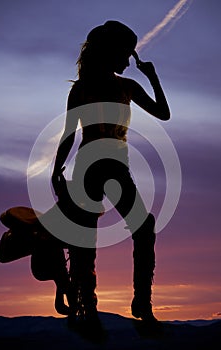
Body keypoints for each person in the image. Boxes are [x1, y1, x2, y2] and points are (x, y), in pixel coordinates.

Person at [51, 20, 170, 325]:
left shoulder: (117, 87)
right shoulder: (91, 89)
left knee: (134, 230)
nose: (130, 60)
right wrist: (56, 168)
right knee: (89, 239)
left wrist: (153, 77)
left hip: (108, 169)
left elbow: (163, 114)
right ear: (111, 52)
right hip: (100, 168)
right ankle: (93, 306)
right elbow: (68, 134)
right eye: (126, 53)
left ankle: (135, 304)